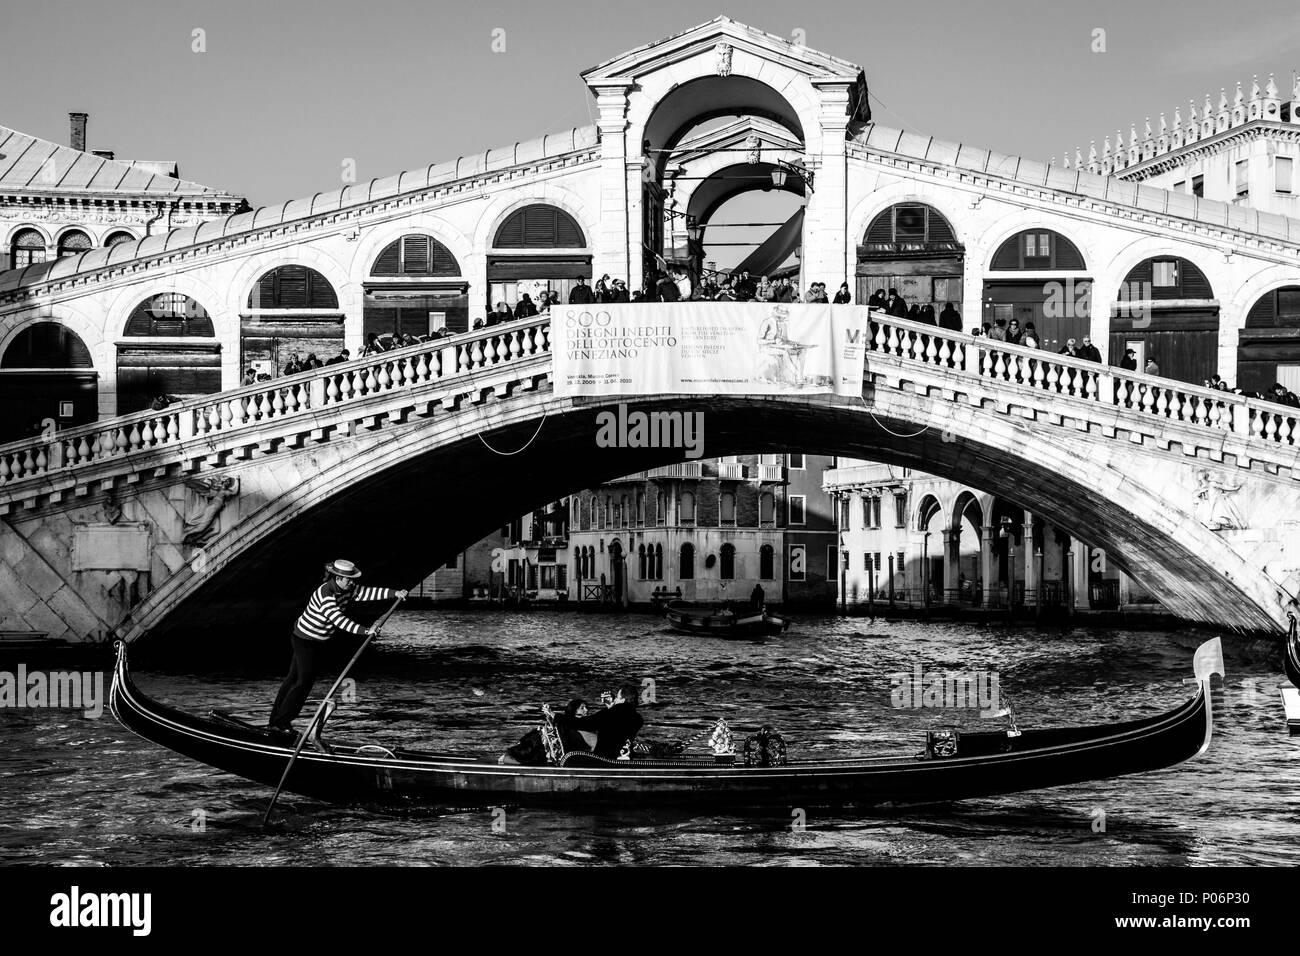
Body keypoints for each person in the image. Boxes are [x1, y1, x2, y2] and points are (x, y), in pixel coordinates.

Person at [268, 559, 408, 736]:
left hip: (316, 641)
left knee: (292, 679)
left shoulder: (347, 588)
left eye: (351, 578)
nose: (351, 581)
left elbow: (367, 593)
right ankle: (281, 723)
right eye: (348, 578)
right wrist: (366, 631)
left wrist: (395, 593)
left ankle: (275, 722)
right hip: (304, 640)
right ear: (338, 578)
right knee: (303, 682)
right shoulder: (326, 594)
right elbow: (339, 621)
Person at [559, 684, 643, 759]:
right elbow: (617, 725)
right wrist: (611, 709)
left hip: (604, 760)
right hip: (624, 757)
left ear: (623, 700)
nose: (615, 700)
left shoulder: (611, 714)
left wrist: (556, 716)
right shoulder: (638, 718)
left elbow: (587, 723)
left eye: (617, 698)